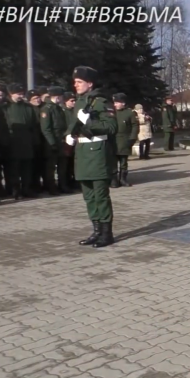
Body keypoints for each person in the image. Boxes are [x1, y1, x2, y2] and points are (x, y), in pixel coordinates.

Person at [67, 66, 118, 248]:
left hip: (97, 153)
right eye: (75, 82)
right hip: (82, 153)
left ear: (90, 83)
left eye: (79, 82)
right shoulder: (81, 102)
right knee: (88, 196)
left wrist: (89, 122)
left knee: (100, 196)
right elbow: (74, 123)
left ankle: (107, 233)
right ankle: (96, 231)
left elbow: (111, 127)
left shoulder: (101, 101)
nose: (76, 85)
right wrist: (69, 134)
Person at [3, 83, 38, 200]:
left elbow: (34, 125)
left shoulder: (28, 107)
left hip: (27, 141)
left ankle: (27, 189)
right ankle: (15, 190)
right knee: (14, 169)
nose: (21, 96)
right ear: (11, 94)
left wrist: (34, 141)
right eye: (18, 94)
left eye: (22, 94)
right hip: (13, 142)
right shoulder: (6, 107)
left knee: (27, 168)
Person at [40, 86, 69, 194]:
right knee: (50, 167)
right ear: (57, 97)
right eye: (61, 97)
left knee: (62, 165)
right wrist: (52, 143)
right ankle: (51, 187)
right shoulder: (47, 109)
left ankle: (63, 185)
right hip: (52, 141)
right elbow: (46, 128)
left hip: (61, 140)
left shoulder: (59, 108)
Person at [111, 93, 138, 188]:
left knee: (123, 162)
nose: (115, 104)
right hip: (112, 141)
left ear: (123, 103)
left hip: (124, 140)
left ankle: (123, 179)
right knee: (112, 162)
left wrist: (132, 138)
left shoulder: (129, 113)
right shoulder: (111, 112)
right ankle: (113, 180)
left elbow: (135, 126)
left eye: (117, 102)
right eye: (114, 102)